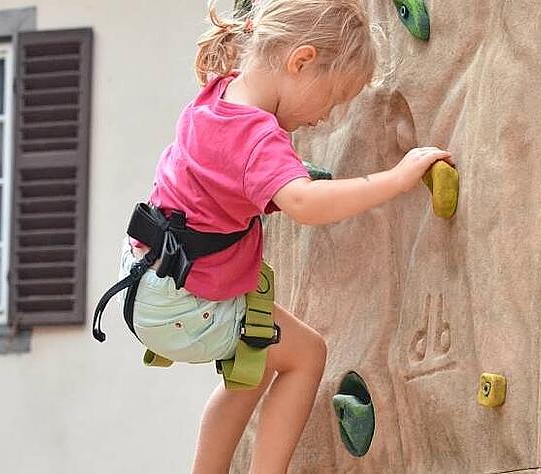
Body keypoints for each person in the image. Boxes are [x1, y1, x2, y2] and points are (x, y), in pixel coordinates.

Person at [121, 0, 452, 472]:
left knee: (254, 367)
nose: (326, 118)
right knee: (306, 354)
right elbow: (304, 205)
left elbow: (220, 185)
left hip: (149, 285)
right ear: (302, 61)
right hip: (187, 307)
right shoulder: (259, 138)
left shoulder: (217, 97)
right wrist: (397, 178)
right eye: (333, 99)